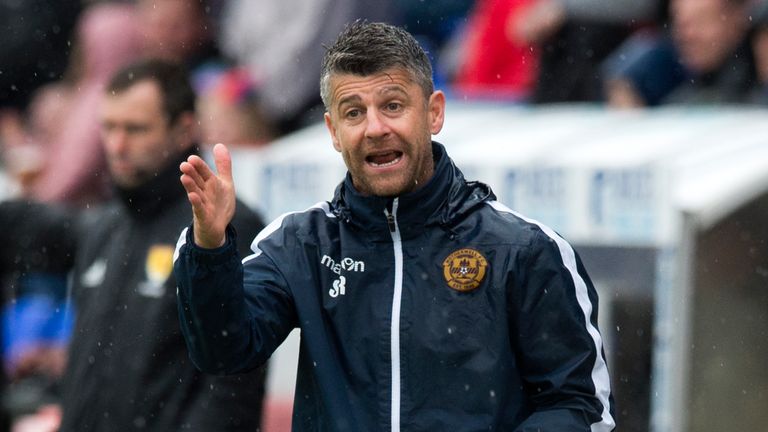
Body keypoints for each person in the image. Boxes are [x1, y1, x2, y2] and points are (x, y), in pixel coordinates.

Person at [175, 21, 615, 431]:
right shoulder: (299, 244)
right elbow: (223, 351)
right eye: (353, 112)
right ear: (332, 131)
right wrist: (209, 247)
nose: (375, 128)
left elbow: (580, 407)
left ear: (434, 113)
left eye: (392, 105)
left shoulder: (523, 249)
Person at [1, 58, 267, 431]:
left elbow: (233, 388)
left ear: (183, 129)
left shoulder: (226, 227)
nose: (117, 145)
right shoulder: (104, 226)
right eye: (109, 128)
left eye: (135, 129)